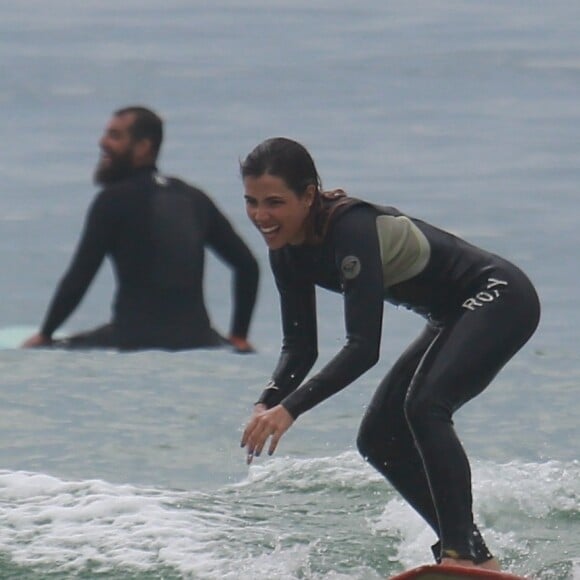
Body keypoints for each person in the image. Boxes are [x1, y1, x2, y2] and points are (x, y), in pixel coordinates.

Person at [239, 137, 540, 570]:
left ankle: (461, 554)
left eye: (274, 202)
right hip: (451, 314)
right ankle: (475, 555)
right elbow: (300, 347)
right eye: (251, 202)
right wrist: (268, 400)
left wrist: (291, 409)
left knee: (425, 406)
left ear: (307, 196)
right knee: (379, 437)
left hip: (499, 295)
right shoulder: (286, 252)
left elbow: (364, 348)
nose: (261, 217)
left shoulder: (351, 229)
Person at [23, 106, 259, 352]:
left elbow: (80, 276)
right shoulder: (193, 197)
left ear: (143, 147)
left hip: (131, 339)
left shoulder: (112, 200)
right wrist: (239, 336)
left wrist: (45, 334)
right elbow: (247, 265)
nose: (102, 142)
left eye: (115, 136)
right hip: (200, 340)